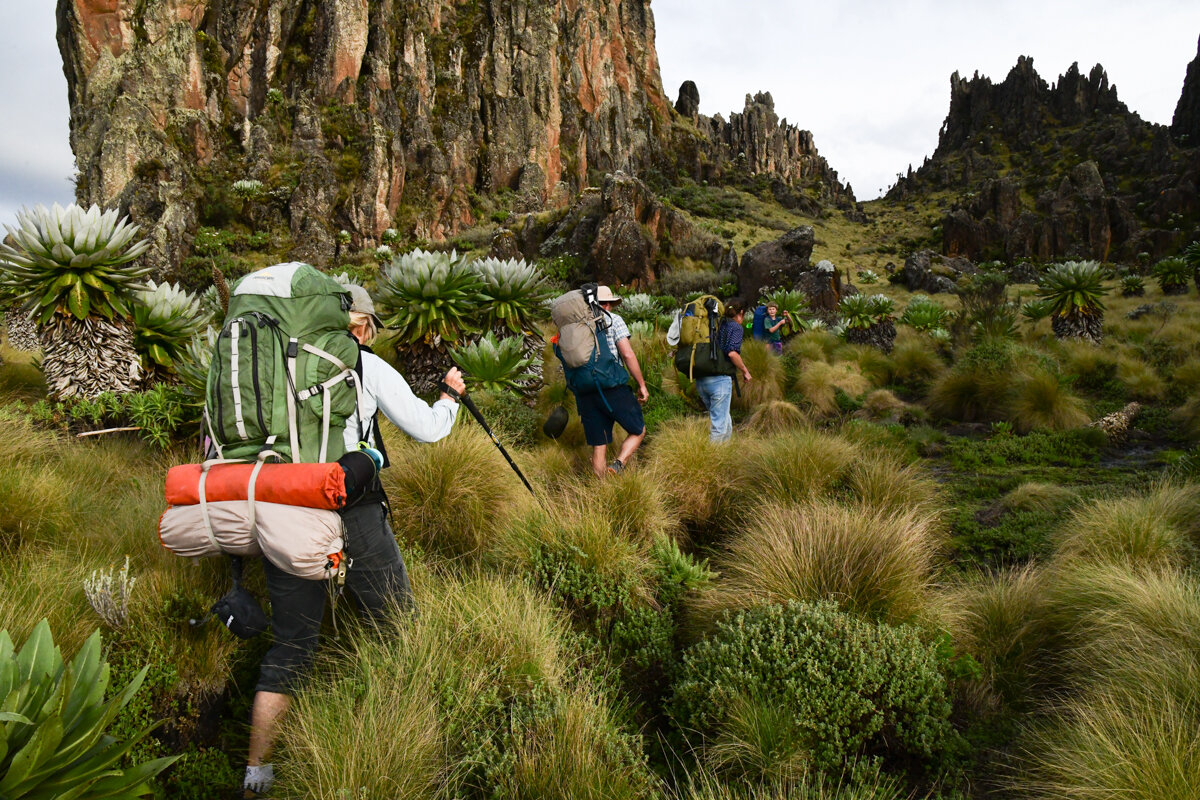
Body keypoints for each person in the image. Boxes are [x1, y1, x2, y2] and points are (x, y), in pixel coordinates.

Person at [243, 284, 466, 797]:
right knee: (397, 624)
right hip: (354, 508)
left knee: (292, 645)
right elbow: (427, 429)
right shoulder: (364, 364)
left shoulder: (275, 363)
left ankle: (256, 776)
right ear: (361, 325)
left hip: (282, 508)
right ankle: (404, 739)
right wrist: (450, 398)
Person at [577, 285, 649, 477]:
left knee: (599, 446)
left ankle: (601, 491)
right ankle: (618, 464)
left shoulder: (577, 324)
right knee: (639, 430)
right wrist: (641, 384)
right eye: (609, 303)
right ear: (606, 304)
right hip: (611, 387)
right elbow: (627, 354)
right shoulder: (613, 320)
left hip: (585, 392)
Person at [695, 299, 753, 443]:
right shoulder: (736, 327)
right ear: (741, 313)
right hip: (719, 381)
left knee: (725, 421)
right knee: (719, 427)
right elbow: (732, 353)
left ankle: (724, 458)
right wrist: (745, 371)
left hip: (702, 379)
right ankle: (711, 461)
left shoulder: (716, 323)